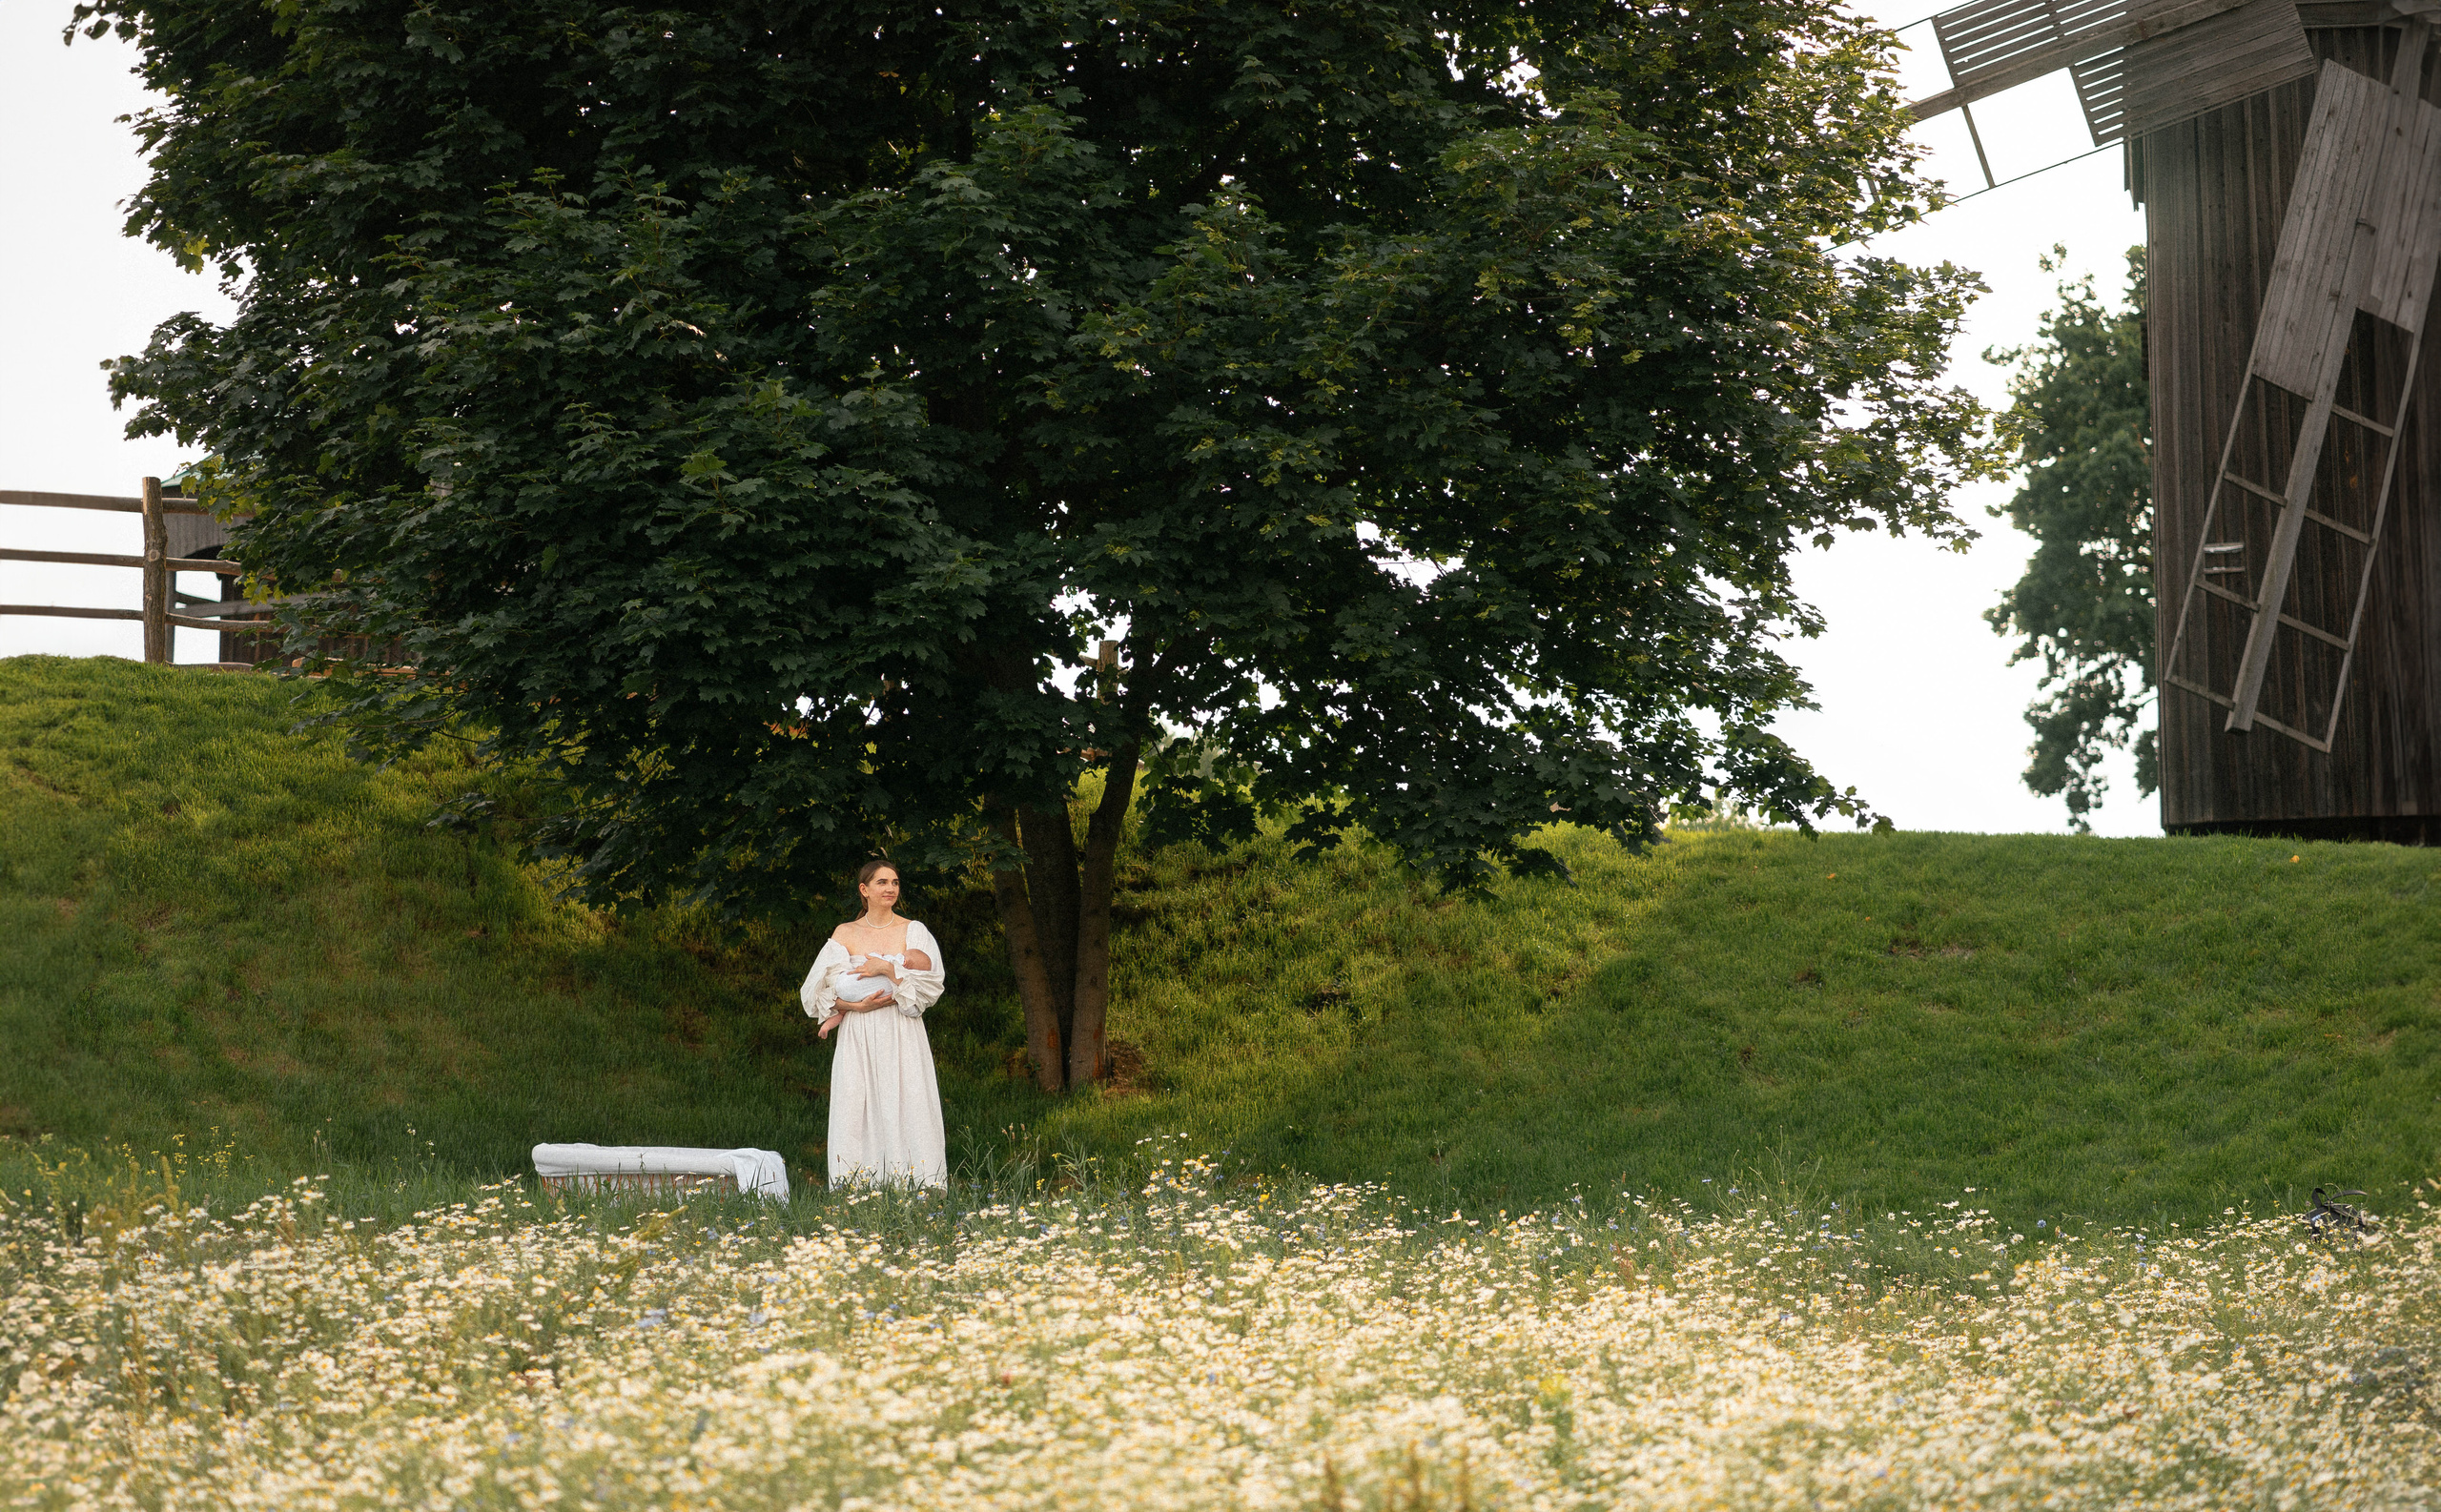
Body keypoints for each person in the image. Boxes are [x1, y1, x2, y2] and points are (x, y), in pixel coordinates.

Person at [799, 860, 948, 1188]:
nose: (890, 888)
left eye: (895, 882)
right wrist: (856, 1006)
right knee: (857, 1103)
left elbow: (929, 986)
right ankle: (858, 1189)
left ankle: (917, 1186)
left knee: (908, 1100)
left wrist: (888, 970)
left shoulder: (914, 931)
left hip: (901, 1031)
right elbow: (819, 993)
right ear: (864, 890)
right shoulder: (845, 933)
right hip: (858, 1031)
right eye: (882, 882)